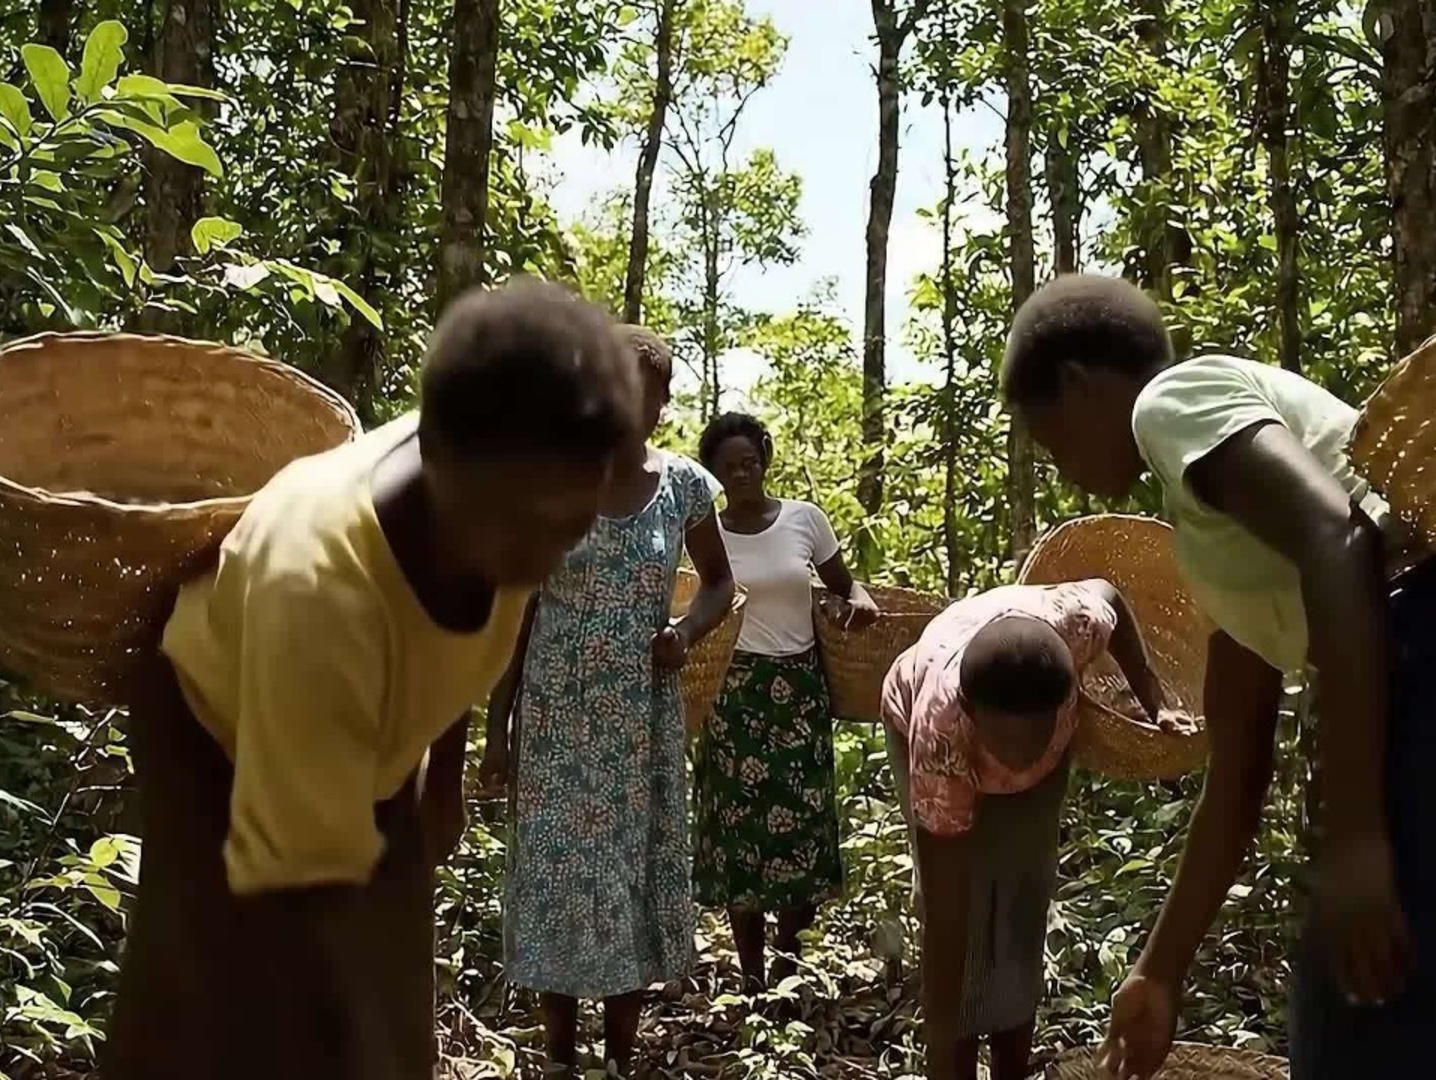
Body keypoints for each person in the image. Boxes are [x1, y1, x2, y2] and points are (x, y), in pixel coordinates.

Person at [999, 273, 1436, 1080]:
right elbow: (1237, 775)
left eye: (1051, 442)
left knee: (1392, 1018)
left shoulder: (1170, 403)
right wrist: (1159, 970)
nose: (1061, 469)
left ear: (1080, 385)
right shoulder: (1216, 541)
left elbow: (1341, 540)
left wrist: (1357, 838)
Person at [103, 278, 641, 1080]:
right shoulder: (318, 585)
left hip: (370, 733)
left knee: (390, 1004)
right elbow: (307, 905)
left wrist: (444, 782)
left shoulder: (522, 486)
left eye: (573, 524)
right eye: (535, 526)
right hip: (216, 728)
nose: (550, 558)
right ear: (443, 464)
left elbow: (455, 644)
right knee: (217, 1004)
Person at [479, 322, 735, 1078]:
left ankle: (618, 1061)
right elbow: (520, 612)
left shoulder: (684, 486)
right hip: (557, 719)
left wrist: (685, 632)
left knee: (629, 878)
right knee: (557, 881)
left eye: (647, 395)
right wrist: (498, 729)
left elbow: (719, 583)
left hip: (637, 723)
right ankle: (560, 1058)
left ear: (661, 405)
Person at [883, 581, 1170, 1080]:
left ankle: (1011, 1058)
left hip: (1024, 715)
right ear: (972, 715)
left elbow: (1112, 595)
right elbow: (946, 918)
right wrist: (939, 1054)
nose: (1023, 757)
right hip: (919, 716)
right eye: (1007, 745)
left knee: (1024, 893)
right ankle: (962, 1057)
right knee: (966, 915)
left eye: (1036, 738)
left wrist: (1153, 698)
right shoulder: (941, 737)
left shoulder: (1079, 624)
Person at [690, 411, 879, 992]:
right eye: (730, 468)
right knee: (739, 836)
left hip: (798, 693)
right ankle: (751, 981)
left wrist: (860, 604)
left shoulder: (805, 521)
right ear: (715, 474)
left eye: (751, 462)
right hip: (733, 694)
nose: (743, 474)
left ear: (765, 458)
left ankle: (787, 969)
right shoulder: (704, 532)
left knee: (802, 831)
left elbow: (848, 585)